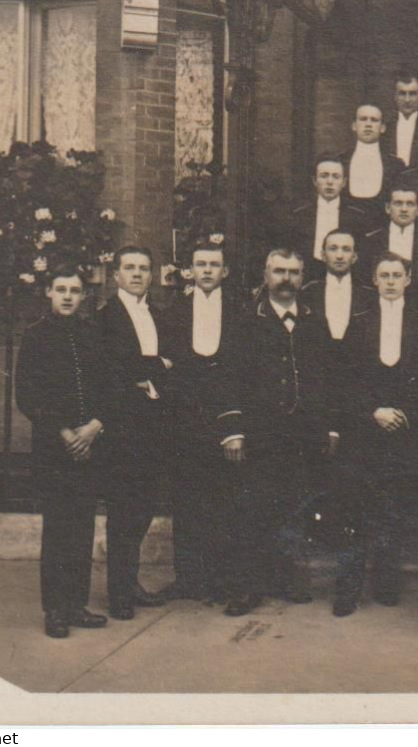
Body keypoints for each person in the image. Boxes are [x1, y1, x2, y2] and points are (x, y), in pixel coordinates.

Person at [221, 249, 341, 617]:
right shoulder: (246, 322)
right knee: (252, 510)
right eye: (279, 271)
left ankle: (285, 580)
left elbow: (325, 380)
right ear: (266, 274)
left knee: (292, 510)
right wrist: (233, 431)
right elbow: (230, 379)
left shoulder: (313, 322)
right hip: (260, 435)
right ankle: (247, 587)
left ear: (303, 277)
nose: (286, 279)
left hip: (301, 436)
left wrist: (329, 428)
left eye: (293, 272)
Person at [14, 266, 116, 639]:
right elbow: (27, 393)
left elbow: (109, 386)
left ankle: (76, 604)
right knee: (58, 527)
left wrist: (93, 427)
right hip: (54, 448)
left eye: (75, 290)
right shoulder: (36, 337)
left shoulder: (93, 335)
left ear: (84, 295)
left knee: (83, 524)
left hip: (90, 444)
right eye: (61, 289)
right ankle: (55, 608)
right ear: (49, 293)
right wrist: (63, 431)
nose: (68, 296)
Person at [336, 253, 418, 616]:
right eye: (384, 275)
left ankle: (386, 583)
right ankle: (347, 589)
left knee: (393, 509)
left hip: (405, 434)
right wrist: (373, 412)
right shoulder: (359, 322)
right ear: (374, 281)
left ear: (409, 279)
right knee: (356, 509)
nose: (391, 281)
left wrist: (405, 415)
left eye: (398, 274)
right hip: (366, 433)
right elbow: (345, 379)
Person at [159, 239, 250, 605]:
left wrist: (234, 427)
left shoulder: (241, 313)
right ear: (191, 270)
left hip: (226, 422)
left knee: (225, 501)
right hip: (186, 419)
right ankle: (188, 579)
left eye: (214, 264)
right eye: (201, 264)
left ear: (224, 271)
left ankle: (223, 581)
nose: (208, 270)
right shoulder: (174, 312)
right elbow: (167, 367)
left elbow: (245, 373)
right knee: (187, 500)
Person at [93, 246, 173, 620]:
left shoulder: (157, 314)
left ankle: (129, 582)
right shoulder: (105, 318)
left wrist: (148, 371)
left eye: (144, 268)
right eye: (130, 268)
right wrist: (152, 366)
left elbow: (171, 366)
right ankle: (119, 595)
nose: (137, 274)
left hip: (155, 427)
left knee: (142, 511)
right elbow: (111, 371)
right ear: (116, 276)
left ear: (151, 276)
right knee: (124, 513)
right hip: (123, 430)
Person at [363, 185, 418, 309]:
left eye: (410, 204)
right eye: (398, 203)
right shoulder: (371, 240)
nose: (404, 209)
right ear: (388, 208)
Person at [289, 155, 368, 282]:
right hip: (307, 278)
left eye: (336, 177)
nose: (330, 182)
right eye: (324, 176)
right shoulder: (299, 215)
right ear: (315, 181)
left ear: (344, 182)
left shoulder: (357, 217)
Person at [344, 103, 400, 205]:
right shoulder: (341, 162)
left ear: (382, 128)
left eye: (374, 120)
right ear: (354, 126)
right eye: (363, 119)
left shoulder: (395, 165)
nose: (368, 124)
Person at [390, 73, 418, 170]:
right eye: (402, 94)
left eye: (412, 94)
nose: (407, 100)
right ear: (395, 97)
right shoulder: (384, 129)